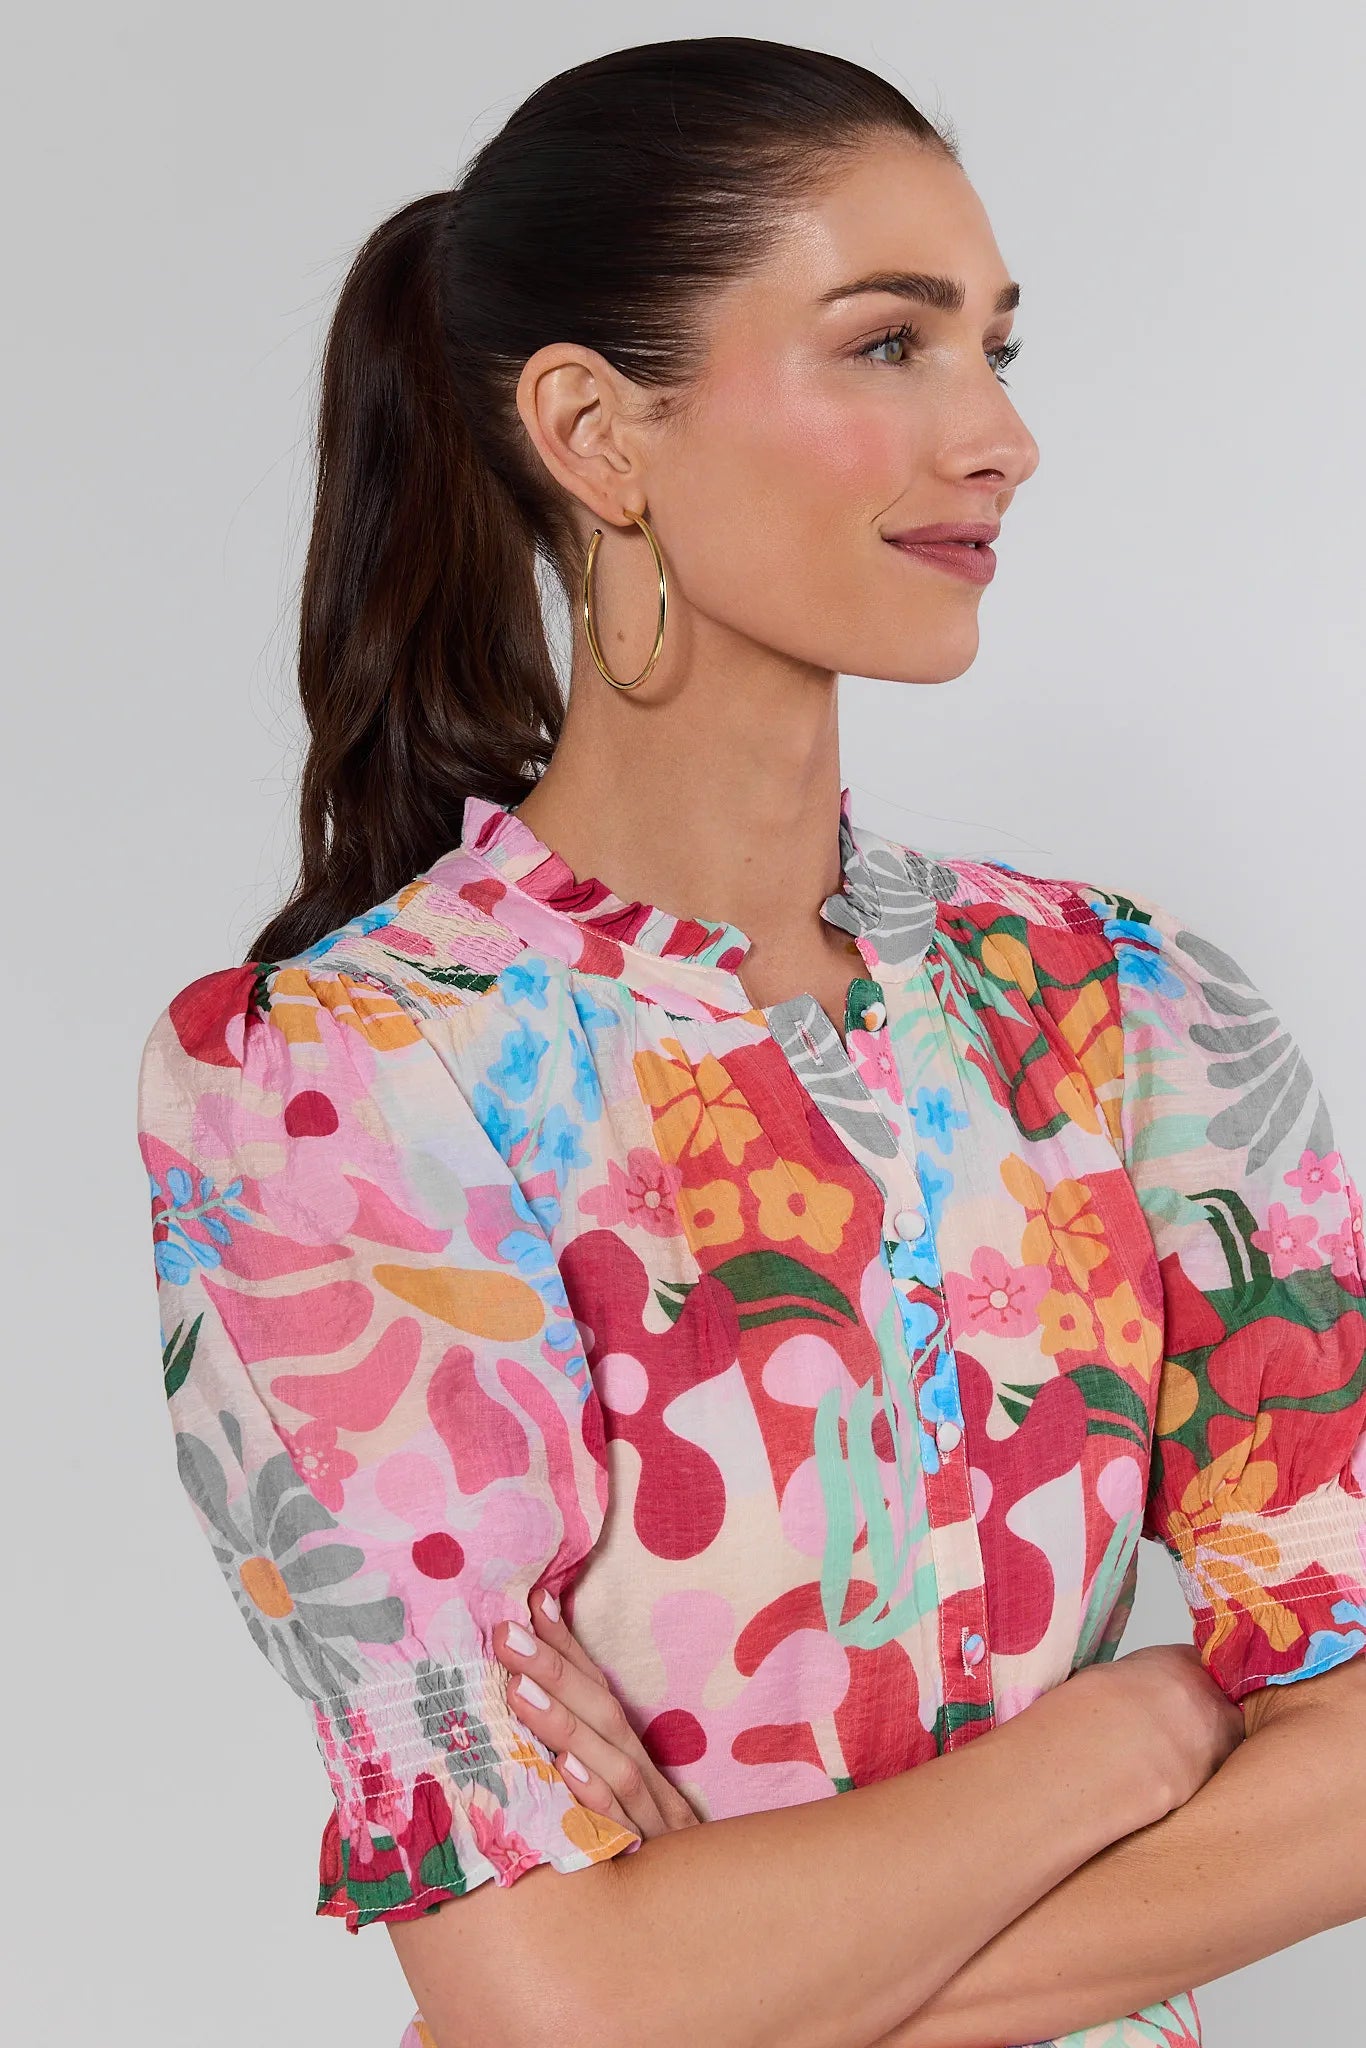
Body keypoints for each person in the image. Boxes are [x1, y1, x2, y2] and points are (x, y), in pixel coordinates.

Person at [134, 34, 1366, 2048]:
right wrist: (1126, 1733)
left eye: (992, 349)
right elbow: (549, 1998)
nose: (996, 437)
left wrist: (737, 1985)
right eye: (887, 344)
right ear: (592, 432)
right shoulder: (345, 1080)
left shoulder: (1129, 1010)